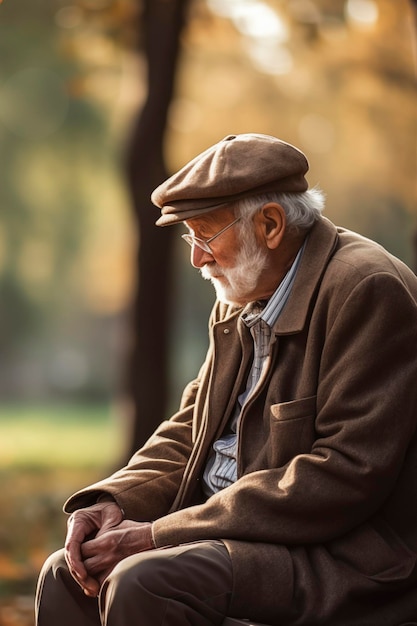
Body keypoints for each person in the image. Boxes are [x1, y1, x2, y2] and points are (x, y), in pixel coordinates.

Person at [35, 133, 417, 626]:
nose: (196, 257)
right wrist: (111, 500)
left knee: (143, 580)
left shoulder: (367, 289)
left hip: (339, 556)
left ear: (271, 225)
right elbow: (191, 430)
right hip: (234, 535)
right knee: (65, 571)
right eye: (189, 238)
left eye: (206, 235)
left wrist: (160, 534)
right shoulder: (241, 297)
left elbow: (343, 474)